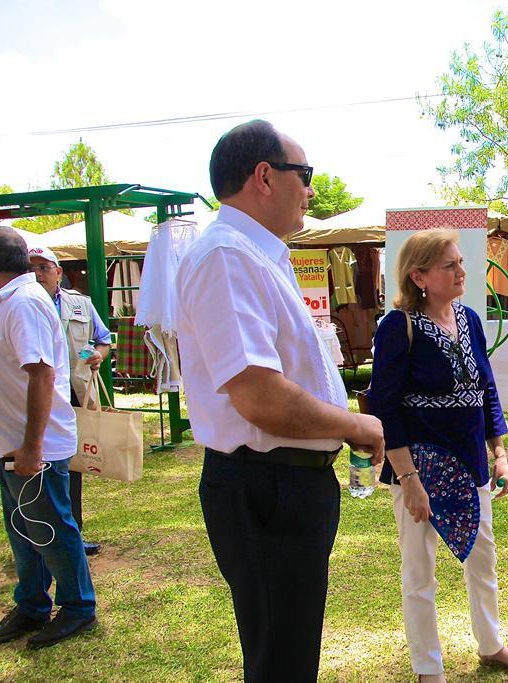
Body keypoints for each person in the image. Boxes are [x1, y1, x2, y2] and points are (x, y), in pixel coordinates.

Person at [175, 119, 385, 682]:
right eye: (305, 174)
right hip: (266, 484)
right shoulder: (228, 256)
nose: (310, 190)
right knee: (281, 660)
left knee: (287, 650)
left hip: (281, 483)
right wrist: (354, 426)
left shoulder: (256, 255)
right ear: (265, 177)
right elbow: (260, 397)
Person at [367, 229, 508, 683]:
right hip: (418, 468)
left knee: (483, 560)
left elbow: (486, 391)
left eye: (461, 262)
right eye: (450, 265)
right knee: (419, 570)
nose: (462, 271)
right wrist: (408, 480)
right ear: (419, 276)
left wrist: (499, 453)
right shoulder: (398, 327)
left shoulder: (470, 320)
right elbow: (385, 408)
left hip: (471, 462)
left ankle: (491, 644)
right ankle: (428, 668)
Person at [0, 227, 97, 649]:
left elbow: (42, 375)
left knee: (51, 531)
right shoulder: (6, 301)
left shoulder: (25, 303)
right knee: (24, 531)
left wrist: (32, 447)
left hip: (34, 449)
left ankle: (78, 608)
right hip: (11, 445)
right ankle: (32, 605)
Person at [28, 244, 111, 556]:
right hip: (33, 395)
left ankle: (72, 532)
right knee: (35, 463)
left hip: (73, 393)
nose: (37, 274)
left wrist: (97, 356)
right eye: (30, 268)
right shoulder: (19, 305)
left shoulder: (81, 304)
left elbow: (103, 340)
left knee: (70, 464)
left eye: (44, 267)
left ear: (59, 272)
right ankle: (37, 535)